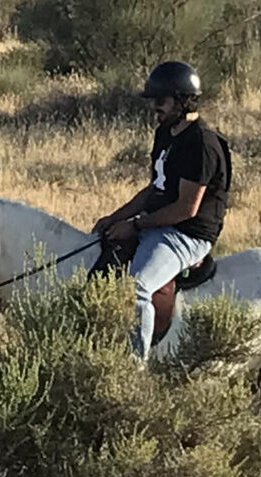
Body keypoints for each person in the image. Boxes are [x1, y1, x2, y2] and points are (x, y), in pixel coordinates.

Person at [90, 60, 230, 362]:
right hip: (160, 223)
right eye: (154, 101)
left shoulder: (202, 144)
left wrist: (137, 226)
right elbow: (155, 189)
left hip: (187, 233)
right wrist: (115, 218)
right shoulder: (166, 133)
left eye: (161, 101)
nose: (155, 107)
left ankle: (133, 366)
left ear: (182, 101)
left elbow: (186, 208)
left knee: (137, 287)